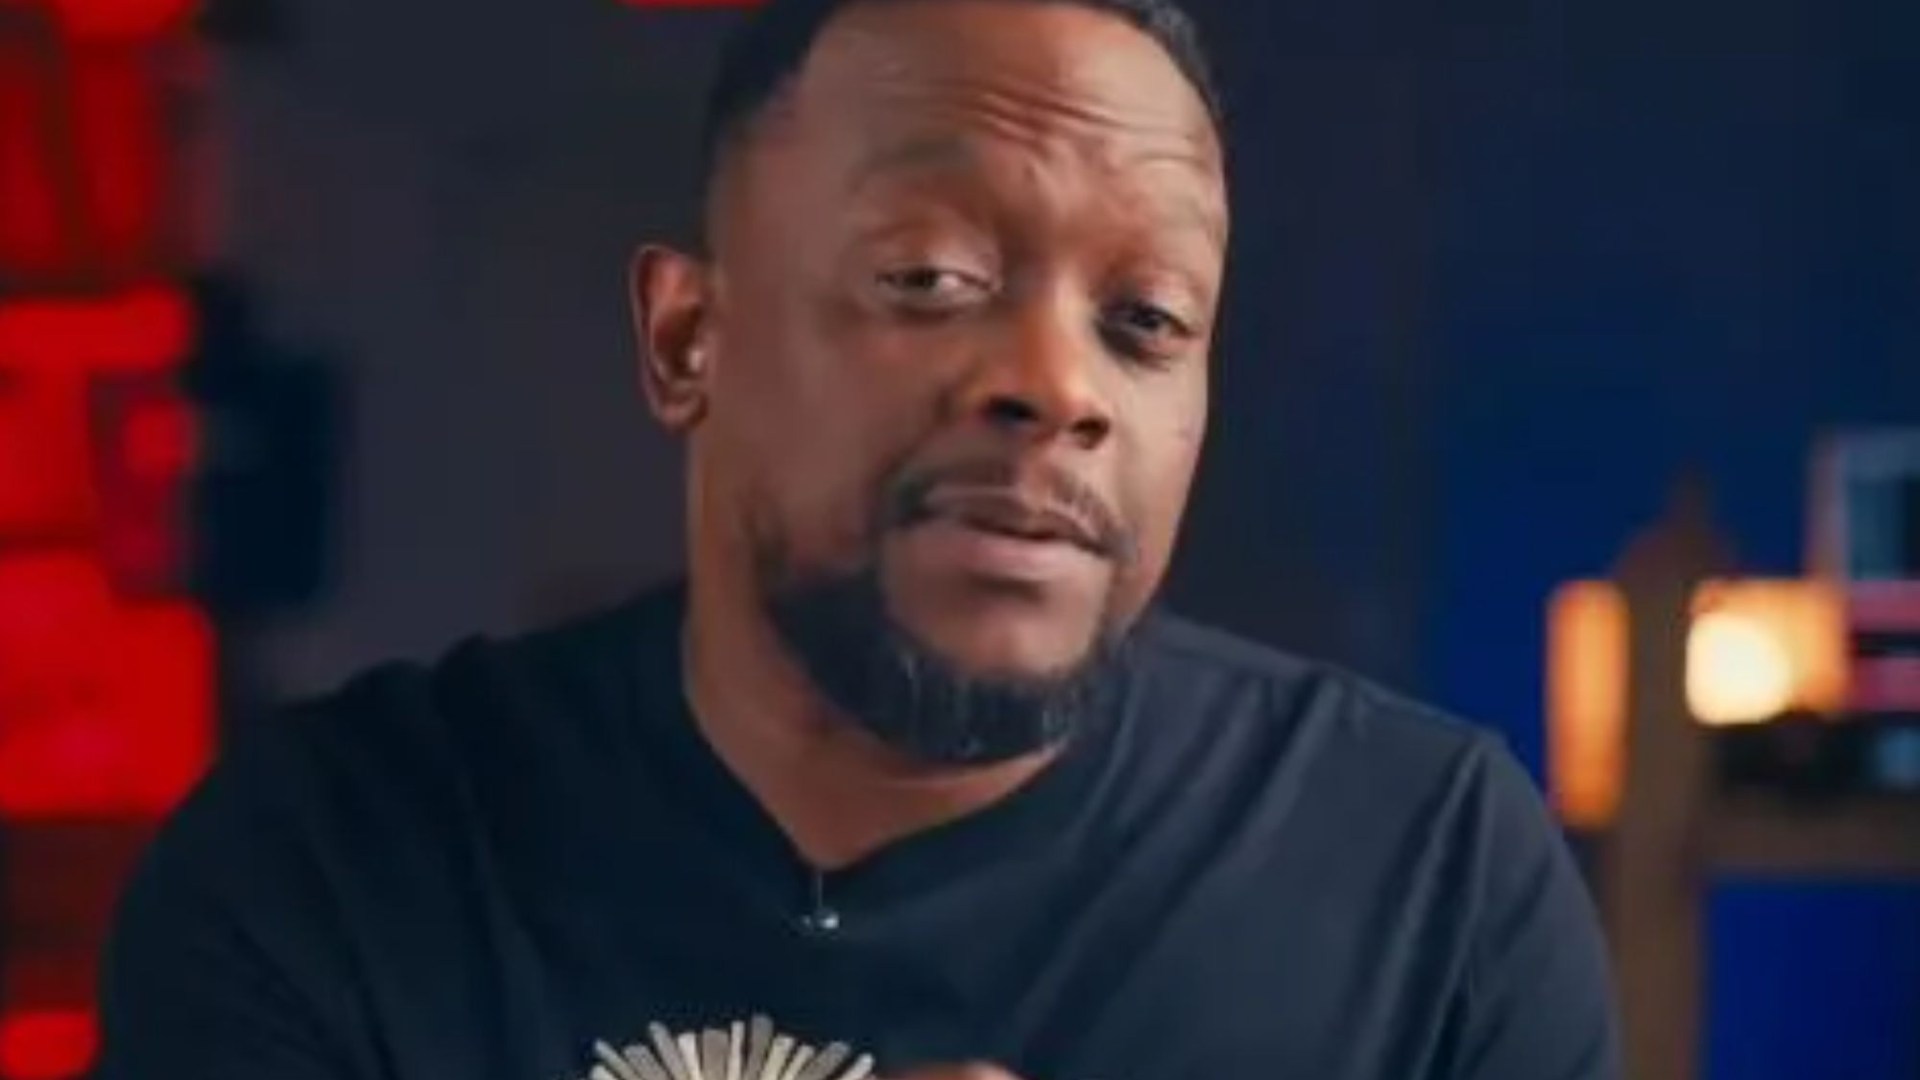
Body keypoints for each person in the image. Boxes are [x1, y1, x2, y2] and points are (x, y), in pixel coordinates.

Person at [98, 0, 1619, 1077]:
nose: (1058, 385)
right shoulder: (331, 865)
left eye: (1148, 320)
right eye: (931, 278)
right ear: (687, 338)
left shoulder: (1427, 879)